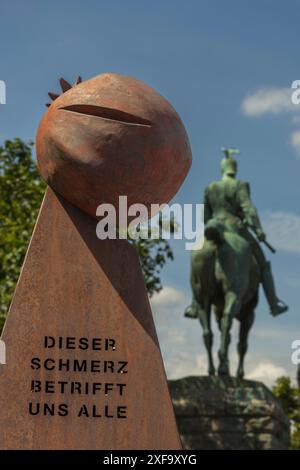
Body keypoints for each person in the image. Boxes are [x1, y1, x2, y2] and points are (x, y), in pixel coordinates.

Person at [203, 150, 288, 317]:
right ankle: (274, 304)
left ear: (222, 169)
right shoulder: (240, 185)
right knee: (263, 264)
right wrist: (258, 229)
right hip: (236, 229)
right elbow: (249, 209)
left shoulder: (210, 188)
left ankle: (194, 302)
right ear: (234, 169)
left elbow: (205, 217)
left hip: (214, 227)